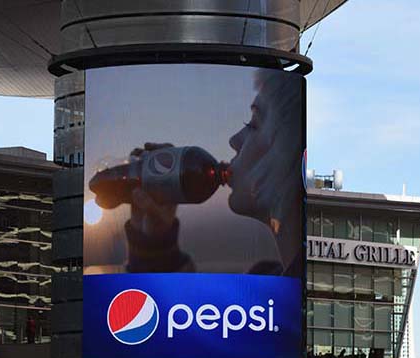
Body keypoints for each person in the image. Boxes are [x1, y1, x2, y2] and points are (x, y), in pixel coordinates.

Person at [124, 69, 302, 276]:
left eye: (253, 124)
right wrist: (156, 240)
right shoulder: (262, 279)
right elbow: (170, 306)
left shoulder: (266, 297)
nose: (234, 140)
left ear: (288, 149)